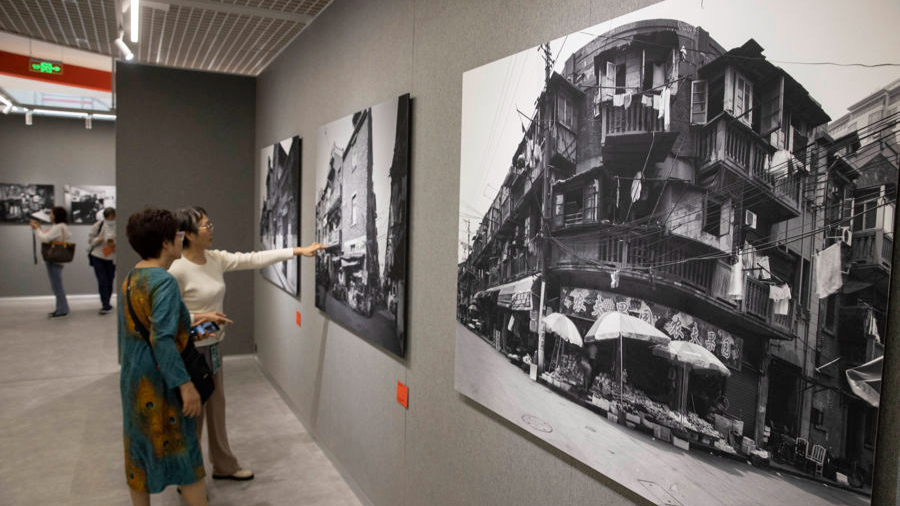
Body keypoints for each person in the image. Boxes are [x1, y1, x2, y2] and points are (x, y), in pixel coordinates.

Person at [170, 206, 322, 482]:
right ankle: (189, 476)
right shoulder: (177, 269)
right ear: (189, 235)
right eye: (206, 226)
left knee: (217, 408)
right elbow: (169, 315)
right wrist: (199, 319)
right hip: (189, 352)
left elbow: (253, 258)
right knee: (194, 415)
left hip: (213, 347)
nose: (212, 230)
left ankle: (223, 464)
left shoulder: (214, 259)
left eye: (211, 224)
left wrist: (297, 251)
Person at [119, 208, 208, 506]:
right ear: (166, 242)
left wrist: (191, 325)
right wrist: (185, 385)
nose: (182, 239)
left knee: (139, 451)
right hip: (162, 381)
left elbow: (142, 329)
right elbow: (162, 339)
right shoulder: (164, 282)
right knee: (185, 456)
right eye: (178, 235)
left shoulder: (133, 276)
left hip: (135, 379)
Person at [30, 206, 73, 318]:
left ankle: (63, 309)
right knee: (57, 285)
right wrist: (40, 229)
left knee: (57, 286)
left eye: (52, 213)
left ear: (56, 215)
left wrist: (37, 229)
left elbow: (45, 239)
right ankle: (60, 308)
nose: (50, 215)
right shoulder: (62, 226)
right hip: (58, 259)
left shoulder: (58, 227)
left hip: (54, 259)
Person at [89, 207, 117, 314]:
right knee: (102, 280)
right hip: (98, 256)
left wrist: (114, 244)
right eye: (109, 218)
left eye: (112, 218)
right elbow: (90, 241)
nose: (111, 220)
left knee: (110, 280)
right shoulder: (98, 225)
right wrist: (98, 240)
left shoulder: (118, 226)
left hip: (111, 257)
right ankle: (105, 304)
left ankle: (107, 301)